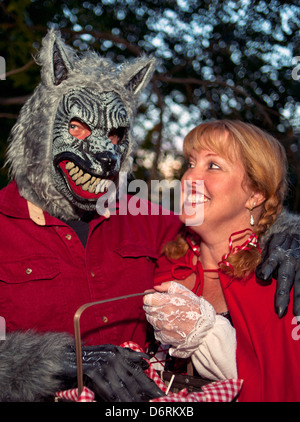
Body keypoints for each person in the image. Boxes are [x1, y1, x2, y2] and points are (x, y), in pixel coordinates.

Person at [0, 30, 299, 402]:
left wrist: (289, 235)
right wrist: (52, 363)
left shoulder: (148, 220)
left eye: (114, 136)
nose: (104, 152)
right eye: (77, 126)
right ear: (44, 124)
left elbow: (227, 223)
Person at [144, 120, 300, 401]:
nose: (189, 178)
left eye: (213, 165)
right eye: (191, 163)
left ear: (254, 194)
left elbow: (284, 384)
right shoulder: (168, 260)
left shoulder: (278, 278)